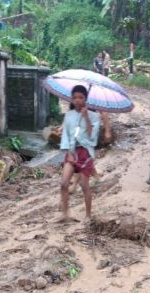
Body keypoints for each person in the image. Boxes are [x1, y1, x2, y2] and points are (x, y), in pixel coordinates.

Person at [60, 85, 101, 221]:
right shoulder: (69, 115)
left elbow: (92, 137)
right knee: (64, 184)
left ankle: (88, 215)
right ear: (71, 99)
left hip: (85, 153)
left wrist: (86, 117)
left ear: (85, 99)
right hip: (71, 151)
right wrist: (68, 152)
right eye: (75, 98)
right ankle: (65, 214)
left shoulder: (94, 116)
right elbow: (65, 135)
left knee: (84, 185)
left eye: (81, 97)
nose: (77, 100)